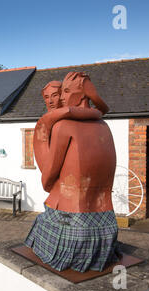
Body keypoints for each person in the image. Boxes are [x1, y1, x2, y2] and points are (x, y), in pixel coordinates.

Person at [25, 72, 120, 273]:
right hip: (105, 221)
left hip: (70, 220)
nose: (60, 98)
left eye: (65, 92)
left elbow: (48, 177)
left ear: (83, 93)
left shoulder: (63, 126)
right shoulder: (104, 126)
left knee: (42, 224)